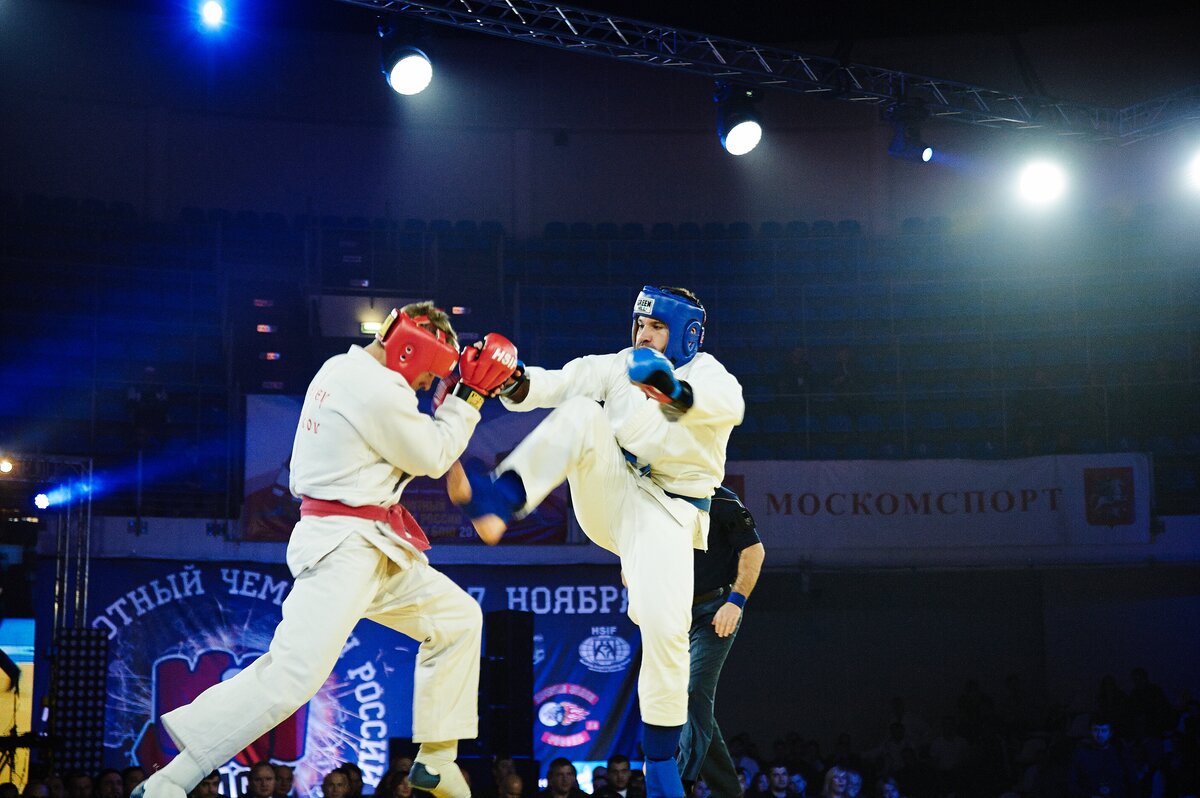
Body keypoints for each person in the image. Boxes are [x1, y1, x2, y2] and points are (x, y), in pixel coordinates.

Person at [130, 303, 519, 798]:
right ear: (411, 350)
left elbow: (427, 447)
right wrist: (468, 398)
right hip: (345, 547)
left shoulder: (346, 371)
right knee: (292, 677)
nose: (425, 386)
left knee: (458, 619)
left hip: (372, 544)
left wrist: (451, 403)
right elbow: (433, 455)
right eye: (428, 374)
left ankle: (438, 758)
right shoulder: (374, 387)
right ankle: (170, 781)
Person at [449, 286, 744, 798]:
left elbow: (727, 407)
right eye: (640, 324)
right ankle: (501, 501)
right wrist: (512, 379)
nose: (643, 335)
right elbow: (560, 382)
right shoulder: (621, 364)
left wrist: (667, 388)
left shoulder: (709, 375)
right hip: (616, 494)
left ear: (688, 334)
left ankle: (662, 766)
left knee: (666, 632)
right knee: (584, 413)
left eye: (657, 327)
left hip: (671, 515)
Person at [677, 486, 764, 798]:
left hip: (716, 609)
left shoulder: (722, 498)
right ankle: (728, 790)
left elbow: (754, 550)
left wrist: (736, 602)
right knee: (686, 701)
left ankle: (681, 779)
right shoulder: (653, 495)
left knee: (694, 690)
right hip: (672, 613)